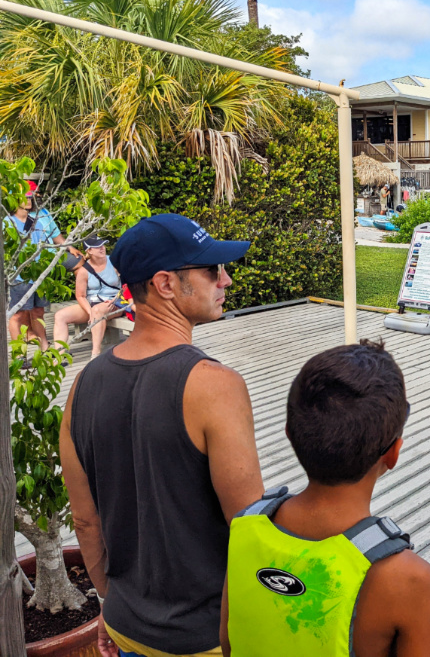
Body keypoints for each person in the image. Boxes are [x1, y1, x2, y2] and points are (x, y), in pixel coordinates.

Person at [59, 214, 264, 657]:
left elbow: (85, 521)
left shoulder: (82, 386)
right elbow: (249, 531)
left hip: (126, 626)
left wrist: (108, 606)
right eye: (212, 270)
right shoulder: (215, 385)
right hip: (206, 637)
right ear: (166, 283)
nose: (225, 279)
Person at [220, 340, 430, 656]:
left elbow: (230, 645)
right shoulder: (408, 579)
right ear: (393, 454)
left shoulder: (245, 526)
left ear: (289, 432)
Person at [5, 181, 82, 350]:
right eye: (25, 197)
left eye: (30, 196)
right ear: (15, 200)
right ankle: (19, 354)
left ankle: (45, 349)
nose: (30, 199)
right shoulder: (6, 222)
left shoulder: (38, 218)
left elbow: (50, 240)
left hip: (40, 273)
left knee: (39, 312)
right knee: (16, 316)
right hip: (19, 276)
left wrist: (68, 248)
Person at [52, 236, 123, 360]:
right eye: (97, 246)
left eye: (103, 245)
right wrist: (89, 312)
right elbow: (80, 295)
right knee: (60, 315)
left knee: (97, 311)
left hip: (114, 302)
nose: (102, 248)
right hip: (92, 303)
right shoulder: (84, 271)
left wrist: (117, 298)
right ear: (89, 250)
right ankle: (60, 354)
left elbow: (128, 284)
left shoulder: (115, 262)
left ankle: (95, 354)